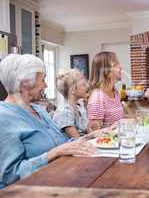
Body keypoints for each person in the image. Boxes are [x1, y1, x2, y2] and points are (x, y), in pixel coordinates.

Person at [0, 54, 98, 188]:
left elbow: (63, 144)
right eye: (43, 80)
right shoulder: (3, 117)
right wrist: (53, 153)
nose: (45, 85)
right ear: (25, 83)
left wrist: (94, 136)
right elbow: (10, 175)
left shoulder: (39, 110)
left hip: (61, 179)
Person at [87, 51, 124, 131]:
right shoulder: (97, 97)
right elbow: (94, 133)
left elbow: (115, 121)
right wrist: (122, 124)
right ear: (107, 71)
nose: (121, 67)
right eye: (116, 64)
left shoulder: (115, 92)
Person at [53, 69, 90, 138]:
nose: (88, 86)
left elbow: (88, 132)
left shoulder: (79, 107)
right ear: (73, 90)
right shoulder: (65, 112)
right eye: (84, 84)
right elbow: (78, 140)